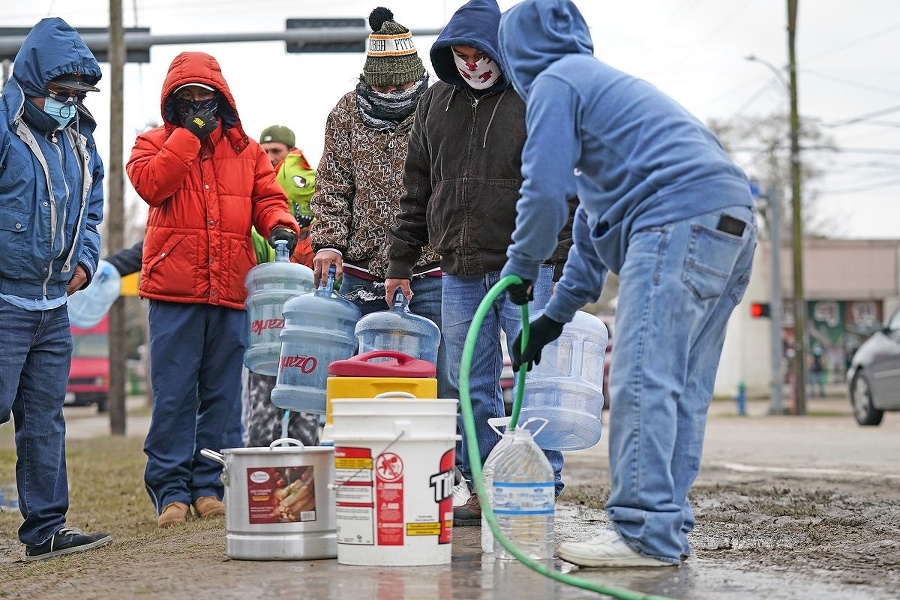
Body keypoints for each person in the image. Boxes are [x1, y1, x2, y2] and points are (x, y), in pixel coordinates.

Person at [498, 0, 758, 567]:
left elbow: (541, 194)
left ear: (516, 51)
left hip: (676, 220)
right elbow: (590, 235)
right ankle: (665, 529)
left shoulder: (555, 82)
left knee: (642, 380)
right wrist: (551, 318)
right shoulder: (606, 107)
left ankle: (642, 533)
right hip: (728, 224)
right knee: (678, 388)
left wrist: (520, 267)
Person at [384, 0, 576, 526]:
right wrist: (400, 260)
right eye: (460, 55)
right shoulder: (435, 103)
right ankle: (481, 480)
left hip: (525, 264)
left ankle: (542, 477)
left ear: (499, 49)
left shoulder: (532, 95)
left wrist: (555, 254)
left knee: (534, 373)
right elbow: (416, 187)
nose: (471, 65)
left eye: (479, 53)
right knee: (465, 374)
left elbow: (563, 182)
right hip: (460, 266)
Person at [126, 51, 301, 528]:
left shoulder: (246, 151)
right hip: (174, 293)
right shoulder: (153, 143)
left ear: (223, 98)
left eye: (206, 96)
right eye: (188, 98)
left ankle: (209, 484)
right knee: (174, 394)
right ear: (173, 103)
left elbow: (268, 198)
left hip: (229, 290)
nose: (199, 105)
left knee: (223, 395)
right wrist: (187, 138)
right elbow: (151, 185)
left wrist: (280, 223)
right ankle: (170, 491)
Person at [0, 17, 112, 560]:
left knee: (44, 422)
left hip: (52, 306)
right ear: (32, 81)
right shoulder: (3, 126)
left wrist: (86, 261)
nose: (70, 103)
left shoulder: (80, 139)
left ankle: (45, 530)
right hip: (4, 301)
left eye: (78, 94)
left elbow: (92, 209)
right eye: (61, 93)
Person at [310, 9, 446, 383]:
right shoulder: (345, 113)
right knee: (364, 377)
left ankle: (446, 444)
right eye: (382, 88)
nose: (391, 95)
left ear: (416, 79)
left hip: (431, 270)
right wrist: (328, 243)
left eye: (400, 88)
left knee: (442, 377)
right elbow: (332, 183)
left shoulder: (440, 108)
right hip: (362, 272)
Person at [245, 124, 319, 447]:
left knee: (304, 406)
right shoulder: (254, 197)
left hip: (306, 324)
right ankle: (260, 479)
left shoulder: (308, 196)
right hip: (268, 324)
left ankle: (304, 481)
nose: (270, 158)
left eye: (276, 152)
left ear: (290, 152)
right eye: (265, 152)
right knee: (262, 409)